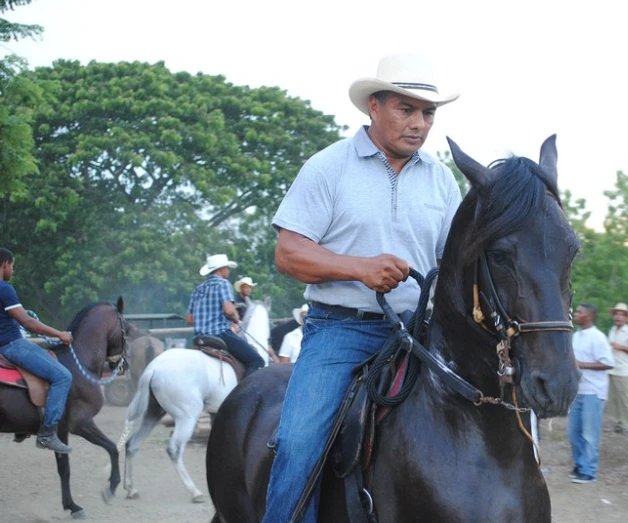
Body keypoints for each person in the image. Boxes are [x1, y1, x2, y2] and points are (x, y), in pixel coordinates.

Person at [265, 54, 461, 522]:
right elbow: (289, 253)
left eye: (427, 113)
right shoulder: (328, 167)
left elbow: (451, 264)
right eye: (406, 109)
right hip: (341, 332)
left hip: (422, 334)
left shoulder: (441, 179)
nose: (418, 124)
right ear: (374, 106)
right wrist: (359, 268)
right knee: (297, 443)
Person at [0, 247, 74, 453]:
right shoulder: (4, 288)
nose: (12, 271)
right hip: (12, 345)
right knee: (62, 376)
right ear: (5, 264)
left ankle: (22, 426)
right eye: (12, 266)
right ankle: (48, 434)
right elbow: (27, 321)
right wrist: (60, 334)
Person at [186, 254, 265, 376]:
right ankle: (244, 393)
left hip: (199, 337)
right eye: (227, 268)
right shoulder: (223, 284)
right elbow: (229, 311)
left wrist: (206, 317)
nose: (228, 271)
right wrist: (236, 318)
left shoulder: (198, 289)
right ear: (220, 269)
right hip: (220, 334)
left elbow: (190, 319)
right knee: (256, 360)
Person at [568, 303, 614, 484]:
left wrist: (582, 365)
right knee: (573, 433)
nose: (576, 315)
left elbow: (608, 363)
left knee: (589, 434)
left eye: (579, 312)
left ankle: (589, 471)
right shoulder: (575, 336)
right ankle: (579, 466)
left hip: (593, 392)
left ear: (589, 316)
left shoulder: (598, 337)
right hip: (577, 391)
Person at [606, 302, 628, 434]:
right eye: (616, 314)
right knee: (613, 398)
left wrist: (621, 347)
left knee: (626, 398)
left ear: (626, 317)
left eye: (621, 315)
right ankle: (617, 423)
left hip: (625, 370)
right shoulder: (612, 330)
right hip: (612, 369)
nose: (618, 317)